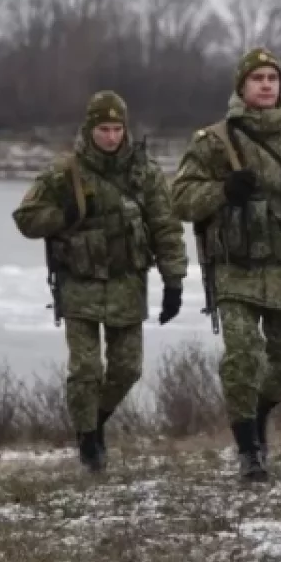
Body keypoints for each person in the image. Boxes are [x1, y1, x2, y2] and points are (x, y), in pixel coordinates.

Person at [170, 47, 281, 480]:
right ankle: (249, 449)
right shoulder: (214, 141)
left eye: (273, 78)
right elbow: (179, 198)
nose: (266, 85)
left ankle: (258, 413)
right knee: (243, 357)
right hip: (236, 269)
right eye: (258, 78)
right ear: (242, 87)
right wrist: (222, 191)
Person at [12, 90, 187, 473]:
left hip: (128, 283)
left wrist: (174, 281)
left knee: (127, 369)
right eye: (104, 129)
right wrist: (64, 215)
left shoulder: (145, 172)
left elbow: (166, 226)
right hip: (80, 285)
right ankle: (89, 442)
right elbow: (25, 218)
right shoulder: (65, 172)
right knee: (86, 369)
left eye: (117, 128)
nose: (111, 136)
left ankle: (94, 424)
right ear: (90, 129)